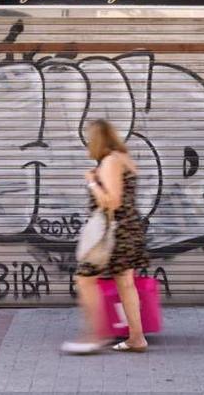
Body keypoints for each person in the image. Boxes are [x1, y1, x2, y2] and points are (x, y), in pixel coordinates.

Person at [61, 119, 149, 354]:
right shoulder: (123, 158)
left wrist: (92, 182)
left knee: (85, 281)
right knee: (125, 283)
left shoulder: (110, 161)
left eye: (91, 139)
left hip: (113, 234)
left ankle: (94, 336)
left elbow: (112, 201)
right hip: (129, 230)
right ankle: (136, 338)